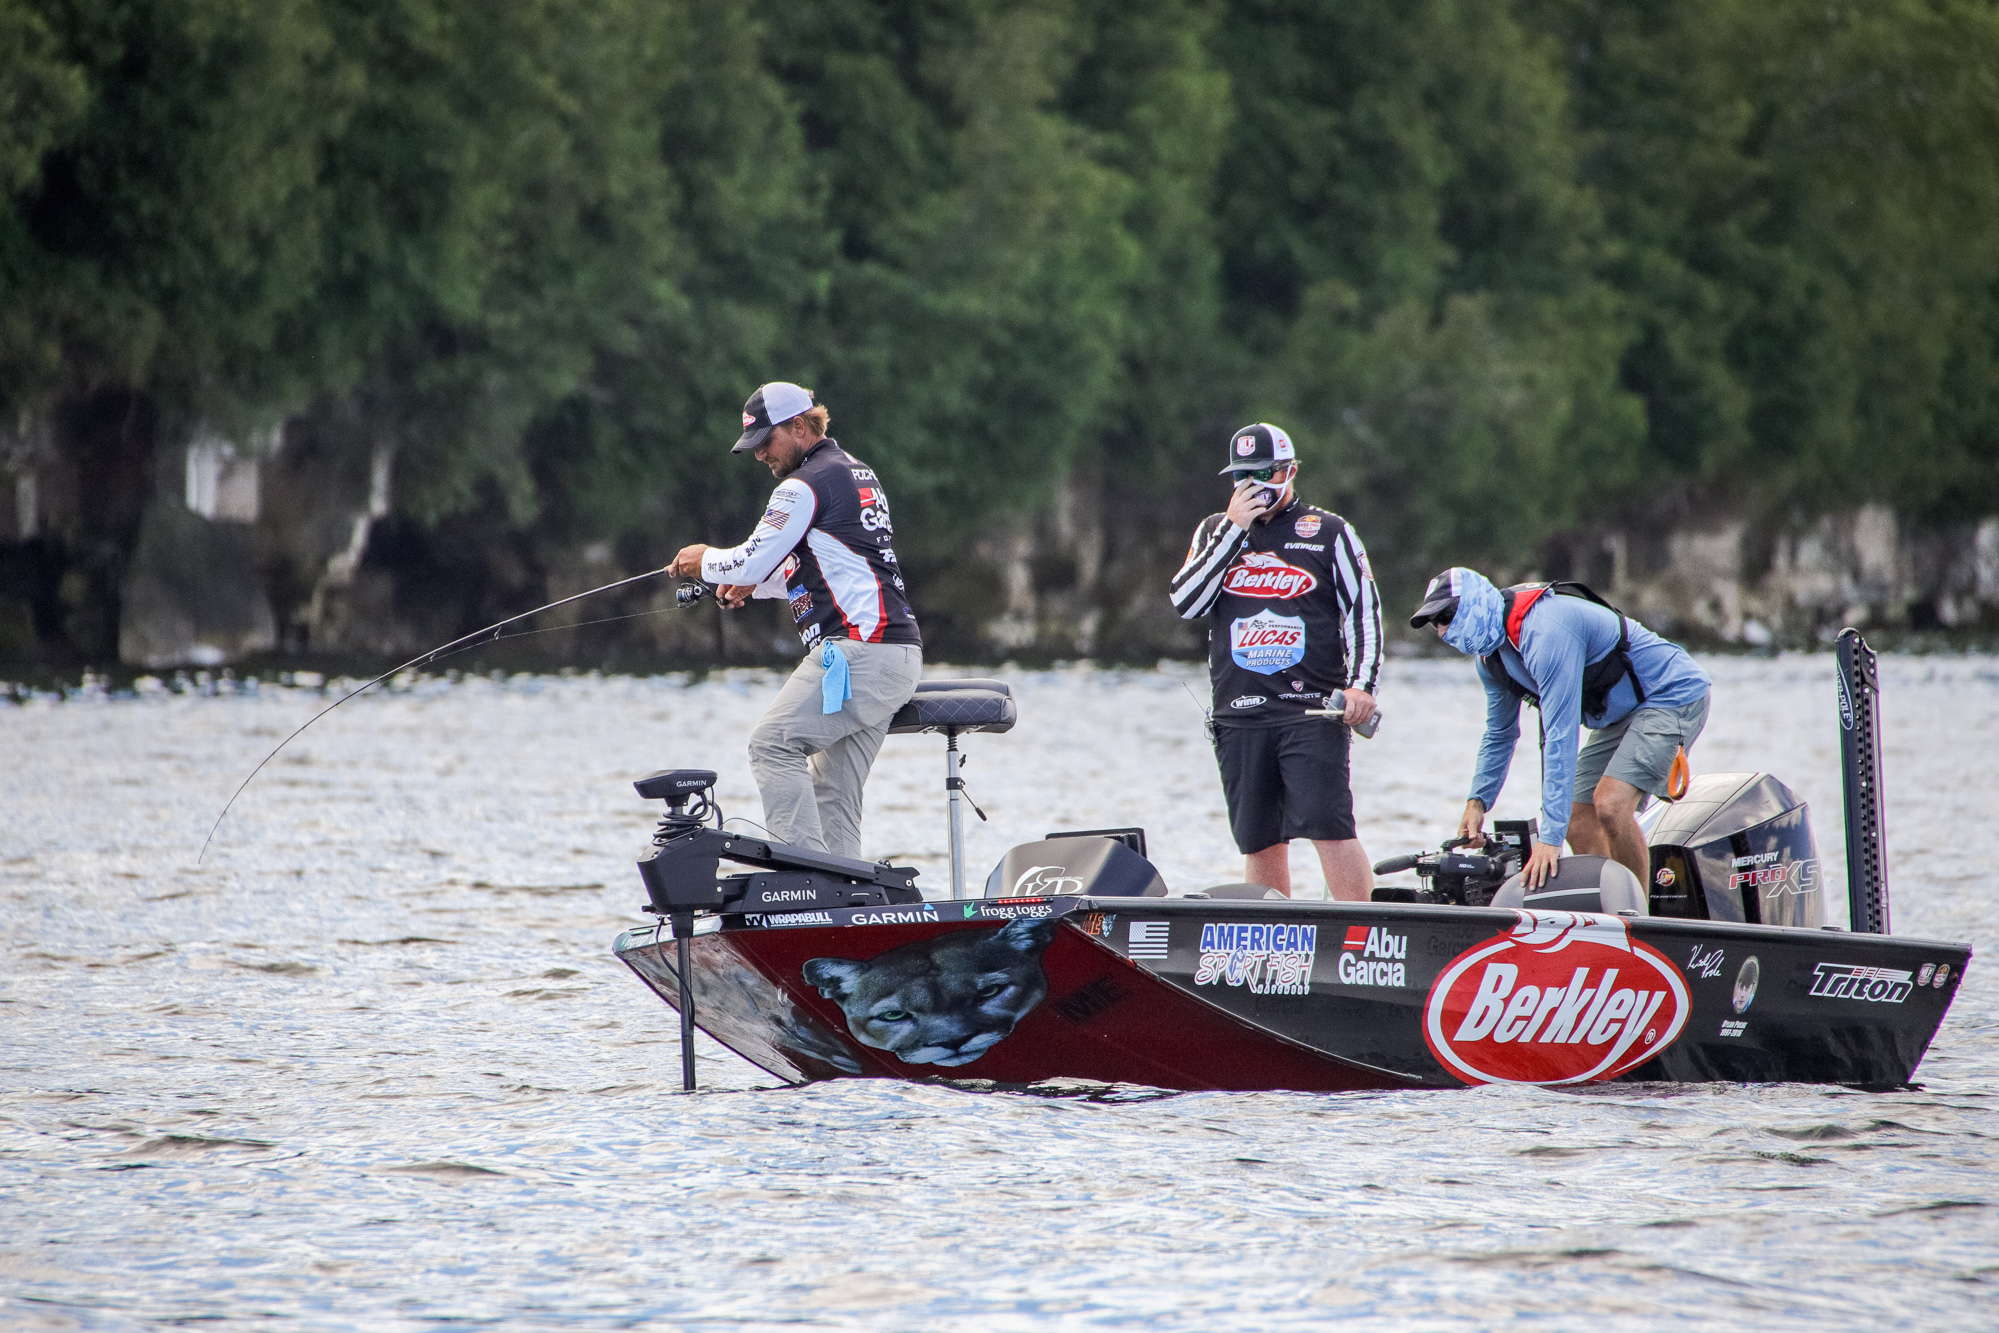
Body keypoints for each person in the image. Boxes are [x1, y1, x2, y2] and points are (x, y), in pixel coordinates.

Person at [665, 382, 922, 859]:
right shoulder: (856, 472)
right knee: (834, 792)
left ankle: (806, 881)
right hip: (896, 658)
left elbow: (742, 560)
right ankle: (842, 899)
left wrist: (705, 560)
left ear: (800, 427)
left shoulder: (802, 486)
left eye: (767, 440)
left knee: (771, 746)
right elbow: (835, 566)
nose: (760, 454)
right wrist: (757, 584)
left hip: (859, 655)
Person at [1169, 423, 1383, 899]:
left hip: (1310, 710)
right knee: (1260, 841)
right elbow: (1186, 603)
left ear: (1289, 472)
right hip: (1239, 713)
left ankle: (1361, 933)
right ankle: (1272, 940)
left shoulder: (1329, 532)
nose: (1250, 487)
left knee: (1330, 828)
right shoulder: (1215, 531)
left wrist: (1362, 686)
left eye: (1262, 474)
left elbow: (1364, 614)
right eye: (1239, 476)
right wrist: (1233, 531)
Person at [1409, 567, 1712, 889]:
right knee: (1576, 819)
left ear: (1477, 601)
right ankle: (1608, 904)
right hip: (1621, 714)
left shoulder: (1544, 632)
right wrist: (1476, 803)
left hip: (1672, 694)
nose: (1442, 631)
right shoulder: (1490, 660)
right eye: (1434, 623)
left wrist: (1549, 840)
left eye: (1447, 616)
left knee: (1610, 805)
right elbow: (1499, 735)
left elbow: (1560, 734)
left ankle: (1638, 916)